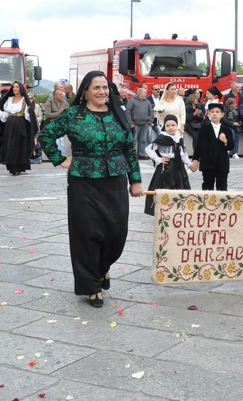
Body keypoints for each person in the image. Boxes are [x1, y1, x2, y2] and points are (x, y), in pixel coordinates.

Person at [37, 71, 142, 309]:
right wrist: (59, 159)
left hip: (114, 180)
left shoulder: (118, 114)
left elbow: (129, 149)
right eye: (96, 88)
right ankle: (91, 285)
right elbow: (46, 135)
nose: (102, 92)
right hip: (83, 182)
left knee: (117, 233)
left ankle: (103, 268)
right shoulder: (74, 114)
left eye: (105, 87)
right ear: (85, 91)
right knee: (87, 234)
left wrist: (134, 180)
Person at [144, 115, 191, 215]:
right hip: (166, 167)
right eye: (168, 125)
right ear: (164, 126)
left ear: (177, 126)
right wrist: (158, 159)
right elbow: (148, 149)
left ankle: (178, 209)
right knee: (165, 186)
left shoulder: (179, 138)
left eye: (173, 125)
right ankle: (164, 210)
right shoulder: (162, 138)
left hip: (178, 168)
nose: (170, 127)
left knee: (180, 186)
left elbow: (183, 153)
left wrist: (189, 164)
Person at [190, 101, 234, 190]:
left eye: (217, 112)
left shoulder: (226, 130)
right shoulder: (204, 129)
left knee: (222, 187)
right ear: (208, 114)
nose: (214, 114)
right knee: (207, 186)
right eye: (212, 112)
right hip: (207, 162)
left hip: (222, 163)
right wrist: (195, 160)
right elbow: (198, 145)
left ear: (222, 115)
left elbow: (231, 146)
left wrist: (225, 141)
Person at [0, 81, 38, 176]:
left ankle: (19, 166)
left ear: (20, 89)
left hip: (21, 124)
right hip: (10, 125)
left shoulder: (24, 100)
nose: (15, 89)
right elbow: (6, 114)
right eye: (14, 87)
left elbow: (28, 115)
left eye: (17, 87)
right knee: (10, 145)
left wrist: (30, 112)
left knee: (19, 145)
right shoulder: (9, 99)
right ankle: (11, 166)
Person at [125, 86, 152, 158]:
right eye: (144, 93)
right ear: (139, 93)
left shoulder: (147, 102)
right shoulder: (132, 101)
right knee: (133, 140)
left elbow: (151, 112)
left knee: (143, 140)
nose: (146, 94)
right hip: (135, 124)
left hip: (145, 124)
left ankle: (141, 155)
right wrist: (130, 123)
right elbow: (127, 112)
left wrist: (149, 121)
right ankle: (133, 155)